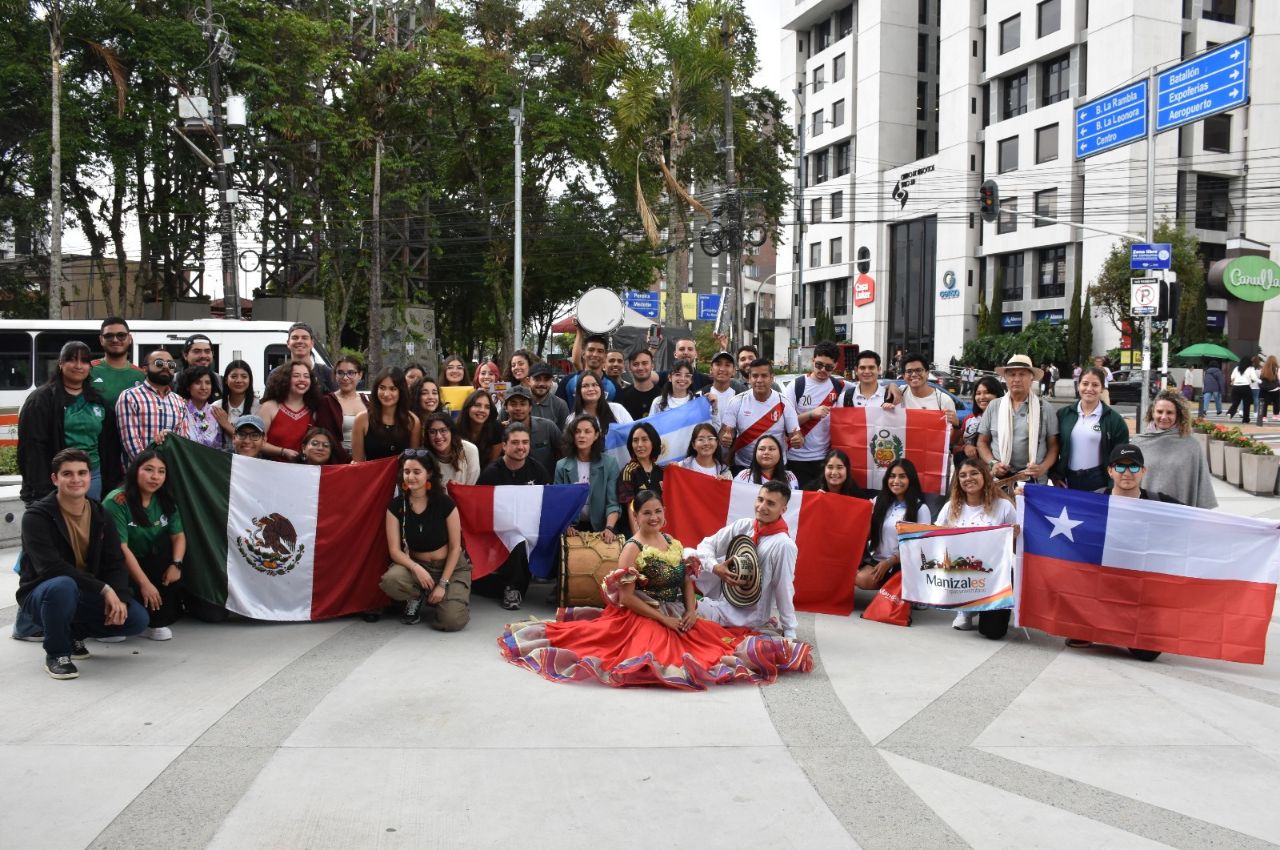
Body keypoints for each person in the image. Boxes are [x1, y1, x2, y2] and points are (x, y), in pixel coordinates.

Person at [499, 490, 813, 689]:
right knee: (654, 653)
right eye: (646, 512)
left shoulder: (673, 542)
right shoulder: (632, 548)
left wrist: (690, 611)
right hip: (643, 615)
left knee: (714, 645)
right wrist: (665, 619)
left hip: (677, 610)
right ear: (636, 515)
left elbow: (688, 580)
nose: (653, 518)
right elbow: (625, 598)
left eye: (658, 512)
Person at [17, 449, 149, 679]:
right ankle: (57, 654)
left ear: (90, 476)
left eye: (82, 473)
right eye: (67, 474)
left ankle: (73, 633)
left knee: (136, 620)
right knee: (62, 585)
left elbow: (115, 562)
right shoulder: (36, 516)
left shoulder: (100, 513)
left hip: (84, 590)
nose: (76, 479)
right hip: (43, 593)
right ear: (55, 479)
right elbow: (50, 568)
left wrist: (120, 596)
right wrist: (104, 589)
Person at [1063, 444, 1172, 661]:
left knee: (1148, 653)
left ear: (1144, 471)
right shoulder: (1093, 501)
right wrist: (1025, 496)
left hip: (1140, 588)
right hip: (1099, 585)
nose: (1127, 473)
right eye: (1120, 468)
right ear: (1110, 471)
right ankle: (1090, 625)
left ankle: (1126, 626)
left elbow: (1198, 524)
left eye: (1133, 467)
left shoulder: (1160, 503)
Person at [685, 481, 800, 638]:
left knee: (683, 607)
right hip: (723, 591)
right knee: (687, 555)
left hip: (745, 614)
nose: (762, 507)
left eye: (770, 503)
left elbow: (784, 587)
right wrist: (715, 568)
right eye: (760, 500)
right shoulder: (745, 525)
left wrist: (789, 630)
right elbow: (707, 545)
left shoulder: (784, 545)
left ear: (783, 509)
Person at [19, 341, 122, 505]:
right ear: (61, 363)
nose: (78, 366)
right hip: (56, 480)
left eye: (84, 361)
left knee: (89, 527)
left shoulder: (98, 401)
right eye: (72, 360)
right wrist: (41, 491)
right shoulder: (41, 400)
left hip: (93, 477)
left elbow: (110, 446)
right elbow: (31, 448)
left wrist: (113, 485)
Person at [377, 450, 470, 631]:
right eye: (406, 471)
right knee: (391, 580)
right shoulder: (396, 506)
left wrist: (443, 584)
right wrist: (416, 568)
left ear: (429, 473)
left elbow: (455, 548)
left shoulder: (445, 503)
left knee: (451, 621)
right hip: (417, 565)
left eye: (417, 472)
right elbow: (395, 551)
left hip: (450, 567)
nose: (410, 477)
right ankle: (416, 596)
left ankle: (449, 598)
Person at [102, 449, 185, 641]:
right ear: (135, 471)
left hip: (146, 560)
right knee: (118, 631)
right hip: (114, 564)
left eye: (161, 471)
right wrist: (145, 583)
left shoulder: (165, 499)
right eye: (149, 469)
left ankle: (154, 622)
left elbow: (178, 536)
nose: (155, 477)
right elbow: (121, 548)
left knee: (167, 565)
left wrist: (177, 564)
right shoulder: (116, 500)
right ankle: (105, 624)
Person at [472, 423, 550, 611]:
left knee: (522, 539)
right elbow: (479, 506)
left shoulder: (537, 470)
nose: (520, 447)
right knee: (516, 539)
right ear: (504, 445)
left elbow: (549, 502)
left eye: (525, 442)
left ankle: (515, 585)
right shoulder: (491, 472)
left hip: (532, 530)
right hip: (499, 531)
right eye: (515, 442)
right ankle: (512, 588)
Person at [938, 457, 1017, 637]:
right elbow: (934, 539)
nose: (968, 478)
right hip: (958, 573)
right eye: (963, 475)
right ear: (958, 480)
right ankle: (964, 610)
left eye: (974, 473)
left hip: (994, 576)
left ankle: (984, 608)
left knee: (993, 633)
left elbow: (1017, 547)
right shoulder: (950, 507)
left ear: (985, 476)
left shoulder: (1004, 507)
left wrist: (1015, 534)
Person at [977, 354, 1059, 484]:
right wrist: (993, 463)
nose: (1016, 379)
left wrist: (1043, 468)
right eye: (1012, 375)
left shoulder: (1045, 408)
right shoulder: (994, 406)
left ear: (1031, 378)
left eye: (1022, 374)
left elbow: (1053, 446)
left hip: (1034, 480)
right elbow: (982, 442)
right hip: (999, 480)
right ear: (1005, 379)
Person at [1129, 390, 1217, 508]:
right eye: (1159, 412)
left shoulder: (1191, 446)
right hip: (1145, 512)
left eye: (1170, 412)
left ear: (1178, 415)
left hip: (1178, 513)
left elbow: (1202, 484)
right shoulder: (1138, 443)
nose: (1164, 417)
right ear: (1152, 413)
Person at [856, 458, 930, 590]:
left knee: (863, 579)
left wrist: (890, 561)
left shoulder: (921, 508)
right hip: (877, 560)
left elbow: (920, 548)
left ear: (911, 480)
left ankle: (908, 591)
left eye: (902, 477)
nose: (896, 481)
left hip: (903, 564)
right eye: (892, 476)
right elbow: (855, 516)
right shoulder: (878, 501)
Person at [1052, 366, 1130, 491]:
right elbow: (1052, 447)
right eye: (1085, 384)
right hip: (1068, 480)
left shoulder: (1115, 420)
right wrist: (1055, 474)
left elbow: (1121, 457)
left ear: (1102, 388)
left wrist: (1113, 485)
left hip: (1099, 481)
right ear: (1078, 386)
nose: (1089, 389)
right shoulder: (1063, 415)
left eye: (1095, 385)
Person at [783, 341, 847, 488]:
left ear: (835, 366)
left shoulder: (839, 386)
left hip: (824, 460)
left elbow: (865, 386)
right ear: (812, 361)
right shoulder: (797, 385)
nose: (823, 370)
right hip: (796, 458)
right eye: (819, 365)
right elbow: (785, 422)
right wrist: (811, 414)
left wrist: (893, 387)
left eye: (829, 367)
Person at [720, 358, 801, 472]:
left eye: (764, 376)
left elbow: (797, 437)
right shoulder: (736, 401)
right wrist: (725, 438)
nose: (759, 380)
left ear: (771, 378)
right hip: (744, 467)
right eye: (755, 376)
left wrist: (798, 440)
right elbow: (725, 433)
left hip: (776, 468)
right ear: (749, 378)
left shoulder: (784, 403)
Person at [117, 348, 191, 465]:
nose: (166, 367)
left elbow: (183, 441)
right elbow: (131, 442)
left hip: (172, 471)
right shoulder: (130, 396)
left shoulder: (180, 401)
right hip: (139, 472)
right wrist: (151, 468)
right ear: (145, 370)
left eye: (171, 364)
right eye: (159, 363)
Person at [553, 414, 621, 542]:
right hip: (573, 528)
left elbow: (613, 503)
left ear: (596, 435)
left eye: (587, 431)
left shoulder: (610, 463)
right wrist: (566, 525)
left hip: (602, 527)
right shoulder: (561, 465)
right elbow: (558, 503)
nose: (581, 435)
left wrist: (609, 528)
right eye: (577, 432)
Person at [352, 367, 420, 462]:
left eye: (393, 389)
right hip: (372, 475)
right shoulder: (362, 419)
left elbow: (414, 461)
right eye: (382, 388)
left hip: (402, 476)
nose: (386, 394)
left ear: (401, 391)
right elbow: (357, 463)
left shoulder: (412, 421)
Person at [258, 362, 322, 461]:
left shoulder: (314, 409)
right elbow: (257, 442)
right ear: (285, 379)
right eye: (296, 376)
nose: (302, 380)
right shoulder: (269, 407)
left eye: (306, 376)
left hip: (303, 470)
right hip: (270, 467)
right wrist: (282, 451)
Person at [501, 385, 560, 474]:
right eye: (513, 404)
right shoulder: (501, 431)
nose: (518, 408)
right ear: (505, 408)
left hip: (545, 484)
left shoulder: (548, 427)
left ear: (530, 407)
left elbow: (563, 455)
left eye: (523, 404)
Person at [618, 422, 664, 534]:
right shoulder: (629, 471)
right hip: (635, 533)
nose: (639, 445)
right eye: (635, 440)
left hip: (659, 531)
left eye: (644, 439)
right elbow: (631, 507)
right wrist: (638, 539)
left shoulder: (661, 471)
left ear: (653, 442)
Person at [318, 354, 366, 455]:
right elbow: (324, 437)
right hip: (339, 461)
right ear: (335, 375)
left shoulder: (367, 401)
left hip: (366, 461)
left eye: (351, 373)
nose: (345, 378)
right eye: (340, 373)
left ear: (360, 375)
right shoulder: (327, 402)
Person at [89, 317, 144, 407]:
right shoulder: (88, 370)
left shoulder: (141, 375)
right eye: (109, 336)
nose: (115, 340)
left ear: (130, 338)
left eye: (121, 335)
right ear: (101, 340)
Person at [272, 322, 337, 393]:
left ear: (312, 343)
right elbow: (268, 403)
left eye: (304, 338)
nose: (299, 341)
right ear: (288, 343)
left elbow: (341, 401)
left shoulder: (327, 374)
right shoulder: (276, 374)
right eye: (295, 338)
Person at [423, 412, 481, 491]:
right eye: (432, 432)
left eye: (443, 430)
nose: (438, 436)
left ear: (452, 432)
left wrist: (462, 490)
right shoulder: (423, 457)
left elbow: (471, 489)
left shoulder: (470, 450)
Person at [900, 352, 959, 427]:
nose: (914, 374)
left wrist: (956, 425)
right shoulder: (899, 393)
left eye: (918, 370)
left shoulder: (943, 401)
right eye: (909, 371)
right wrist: (891, 386)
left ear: (927, 373)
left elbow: (949, 436)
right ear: (904, 376)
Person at [176, 366, 226, 450]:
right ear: (188, 387)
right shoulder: (179, 410)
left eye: (208, 383)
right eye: (197, 383)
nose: (203, 387)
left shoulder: (216, 412)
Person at [566, 372, 632, 436]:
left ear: (601, 389)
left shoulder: (617, 409)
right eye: (585, 386)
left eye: (594, 385)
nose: (591, 389)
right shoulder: (572, 419)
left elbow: (633, 432)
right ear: (579, 391)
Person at [562, 331, 619, 401]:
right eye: (591, 350)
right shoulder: (568, 382)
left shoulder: (614, 387)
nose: (595, 354)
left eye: (600, 351)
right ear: (583, 354)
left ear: (605, 356)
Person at [959, 376, 1003, 464]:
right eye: (978, 393)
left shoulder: (1005, 418)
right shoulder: (969, 418)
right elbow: (958, 444)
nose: (982, 397)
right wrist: (966, 447)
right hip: (971, 471)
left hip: (998, 470)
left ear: (997, 394)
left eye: (986, 393)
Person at [458, 388, 504, 466]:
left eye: (487, 407)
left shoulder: (496, 428)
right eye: (477, 405)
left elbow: (492, 464)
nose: (482, 410)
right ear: (468, 408)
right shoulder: (456, 428)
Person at [735, 434, 800, 488]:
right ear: (755, 453)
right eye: (761, 449)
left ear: (780, 454)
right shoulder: (744, 476)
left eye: (771, 449)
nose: (766, 452)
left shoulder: (789, 477)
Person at [617, 349, 664, 420]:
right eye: (636, 364)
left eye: (645, 363)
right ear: (629, 367)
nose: (640, 368)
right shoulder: (621, 396)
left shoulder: (663, 396)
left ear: (652, 365)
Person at [217, 360, 260, 437]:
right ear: (226, 380)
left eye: (244, 377)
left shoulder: (259, 407)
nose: (239, 380)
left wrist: (226, 424)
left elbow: (252, 440)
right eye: (233, 376)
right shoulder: (216, 407)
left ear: (250, 380)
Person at [704, 350, 741, 426]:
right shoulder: (702, 394)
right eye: (718, 364)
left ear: (734, 371)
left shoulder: (740, 396)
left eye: (727, 365)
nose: (722, 369)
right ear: (711, 369)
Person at [1227, 356, 1257, 423]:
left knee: (1236, 403)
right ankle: (1245, 419)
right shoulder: (1250, 368)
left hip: (1236, 387)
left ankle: (1230, 413)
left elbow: (1232, 377)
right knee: (1246, 404)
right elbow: (1254, 378)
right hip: (1245, 387)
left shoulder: (1236, 368)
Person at [1258, 355, 1279, 425]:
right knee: (1277, 402)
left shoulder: (1263, 369)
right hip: (1275, 389)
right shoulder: (1277, 369)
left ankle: (1264, 417)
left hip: (1265, 389)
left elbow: (1260, 378)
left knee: (1265, 404)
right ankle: (1276, 415)